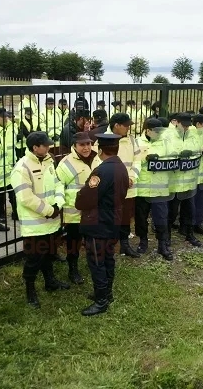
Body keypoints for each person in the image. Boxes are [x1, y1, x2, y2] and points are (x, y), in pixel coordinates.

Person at [11, 131, 69, 308]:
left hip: (51, 222)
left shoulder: (49, 161)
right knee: (33, 260)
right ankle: (30, 291)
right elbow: (25, 198)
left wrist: (58, 203)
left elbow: (58, 183)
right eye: (45, 145)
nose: (49, 147)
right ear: (35, 147)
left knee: (49, 255)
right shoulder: (22, 168)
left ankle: (50, 282)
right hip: (35, 226)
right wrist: (49, 210)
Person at [75, 133, 129, 316]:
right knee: (107, 258)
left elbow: (87, 198)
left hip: (99, 223)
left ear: (100, 150)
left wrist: (79, 199)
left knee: (97, 261)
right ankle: (107, 293)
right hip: (113, 220)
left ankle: (101, 301)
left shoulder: (102, 170)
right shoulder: (121, 166)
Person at [56, 132, 101, 284]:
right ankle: (73, 269)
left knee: (92, 240)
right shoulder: (65, 163)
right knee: (73, 243)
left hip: (94, 210)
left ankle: (93, 264)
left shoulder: (97, 158)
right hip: (75, 212)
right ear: (74, 146)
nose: (86, 147)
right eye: (82, 145)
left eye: (88, 144)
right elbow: (59, 186)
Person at [135, 118, 173, 259]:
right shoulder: (137, 142)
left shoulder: (166, 142)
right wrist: (146, 158)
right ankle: (143, 241)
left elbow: (173, 158)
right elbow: (133, 161)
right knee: (141, 218)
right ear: (147, 130)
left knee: (161, 217)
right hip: (142, 188)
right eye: (156, 132)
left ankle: (162, 244)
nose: (159, 134)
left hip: (160, 187)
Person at [103, 113, 141, 257]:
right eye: (126, 125)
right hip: (112, 188)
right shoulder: (103, 139)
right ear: (116, 126)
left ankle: (125, 245)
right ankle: (109, 246)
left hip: (129, 187)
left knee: (125, 217)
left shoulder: (132, 140)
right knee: (111, 217)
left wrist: (131, 177)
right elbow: (100, 163)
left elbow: (137, 161)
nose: (128, 128)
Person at [167, 113, 203, 247]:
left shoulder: (192, 135)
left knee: (189, 211)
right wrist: (179, 153)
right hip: (174, 183)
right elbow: (167, 152)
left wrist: (192, 151)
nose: (186, 128)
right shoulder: (169, 135)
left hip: (188, 181)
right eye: (184, 125)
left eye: (189, 125)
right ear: (177, 123)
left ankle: (189, 234)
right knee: (171, 212)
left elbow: (198, 149)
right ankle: (166, 237)